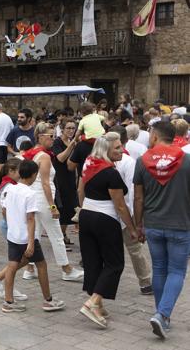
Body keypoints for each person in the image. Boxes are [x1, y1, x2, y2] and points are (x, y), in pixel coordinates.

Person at [133, 121, 190, 339]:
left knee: (159, 269)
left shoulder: (142, 161)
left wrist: (139, 225)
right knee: (177, 271)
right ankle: (162, 315)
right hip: (180, 225)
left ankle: (161, 315)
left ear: (155, 136)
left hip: (154, 225)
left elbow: (138, 197)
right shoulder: (186, 160)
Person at [77, 132, 137, 328]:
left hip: (86, 216)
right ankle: (92, 303)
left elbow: (80, 191)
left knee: (93, 261)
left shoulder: (89, 164)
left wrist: (83, 209)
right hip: (105, 219)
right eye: (117, 148)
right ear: (106, 151)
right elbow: (120, 206)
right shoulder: (111, 173)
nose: (122, 150)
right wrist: (132, 229)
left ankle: (98, 304)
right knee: (115, 263)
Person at [0, 159, 65, 313]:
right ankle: (48, 300)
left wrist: (12, 224)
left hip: (13, 235)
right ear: (34, 174)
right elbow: (30, 219)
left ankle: (8, 301)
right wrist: (31, 242)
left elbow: (4, 210)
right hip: (26, 236)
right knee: (41, 264)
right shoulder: (30, 193)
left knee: (12, 266)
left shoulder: (10, 189)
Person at [22, 123, 83, 282]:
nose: (53, 139)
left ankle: (29, 268)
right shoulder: (44, 156)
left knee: (34, 234)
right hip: (42, 199)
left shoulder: (32, 154)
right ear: (40, 137)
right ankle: (66, 269)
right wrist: (53, 206)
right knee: (56, 235)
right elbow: (45, 183)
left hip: (34, 198)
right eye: (50, 136)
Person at [108, 126, 153, 295]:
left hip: (117, 212)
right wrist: (136, 219)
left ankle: (145, 281)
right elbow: (133, 191)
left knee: (131, 249)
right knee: (133, 249)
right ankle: (145, 282)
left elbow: (132, 190)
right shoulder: (127, 162)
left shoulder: (125, 162)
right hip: (119, 212)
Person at [0, 158, 28, 302]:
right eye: (19, 172)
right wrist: (13, 225)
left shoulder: (10, 184)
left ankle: (6, 284)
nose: (21, 175)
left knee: (21, 259)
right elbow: (5, 210)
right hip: (11, 226)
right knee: (19, 259)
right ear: (11, 171)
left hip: (11, 225)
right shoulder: (9, 187)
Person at [51, 118, 78, 243]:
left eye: (73, 128)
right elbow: (60, 158)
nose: (71, 130)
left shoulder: (74, 142)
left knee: (69, 208)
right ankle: (60, 236)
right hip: (60, 179)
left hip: (71, 178)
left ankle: (63, 234)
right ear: (62, 129)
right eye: (68, 128)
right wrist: (72, 145)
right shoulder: (57, 142)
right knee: (62, 207)